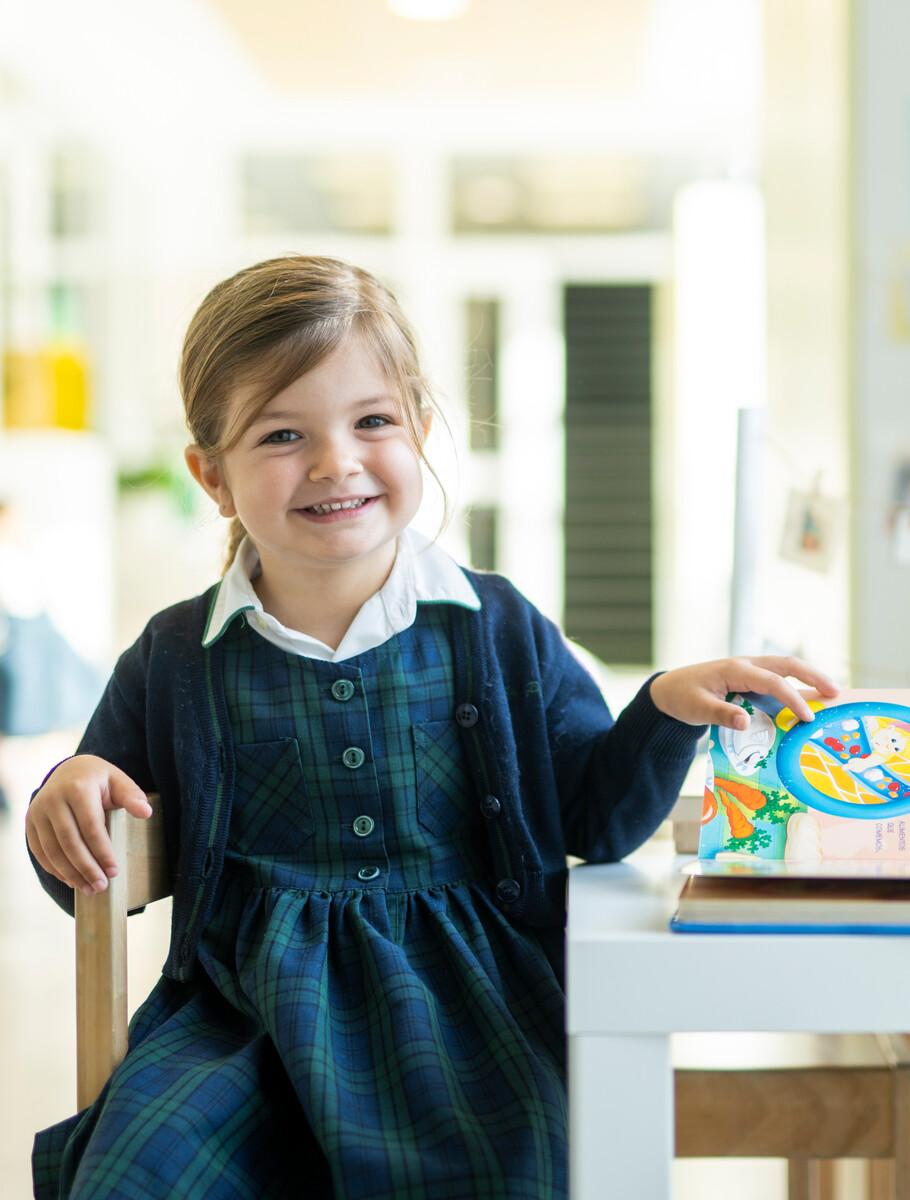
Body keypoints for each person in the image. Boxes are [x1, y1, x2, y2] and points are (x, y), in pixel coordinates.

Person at [25, 255, 838, 1200]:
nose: (335, 462)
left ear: (417, 429)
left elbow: (597, 820)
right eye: (283, 434)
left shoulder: (498, 628)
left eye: (372, 422)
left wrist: (663, 709)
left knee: (514, 1167)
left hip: (478, 1012)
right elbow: (85, 872)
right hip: (241, 1029)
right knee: (135, 1175)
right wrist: (68, 791)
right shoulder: (175, 656)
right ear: (212, 476)